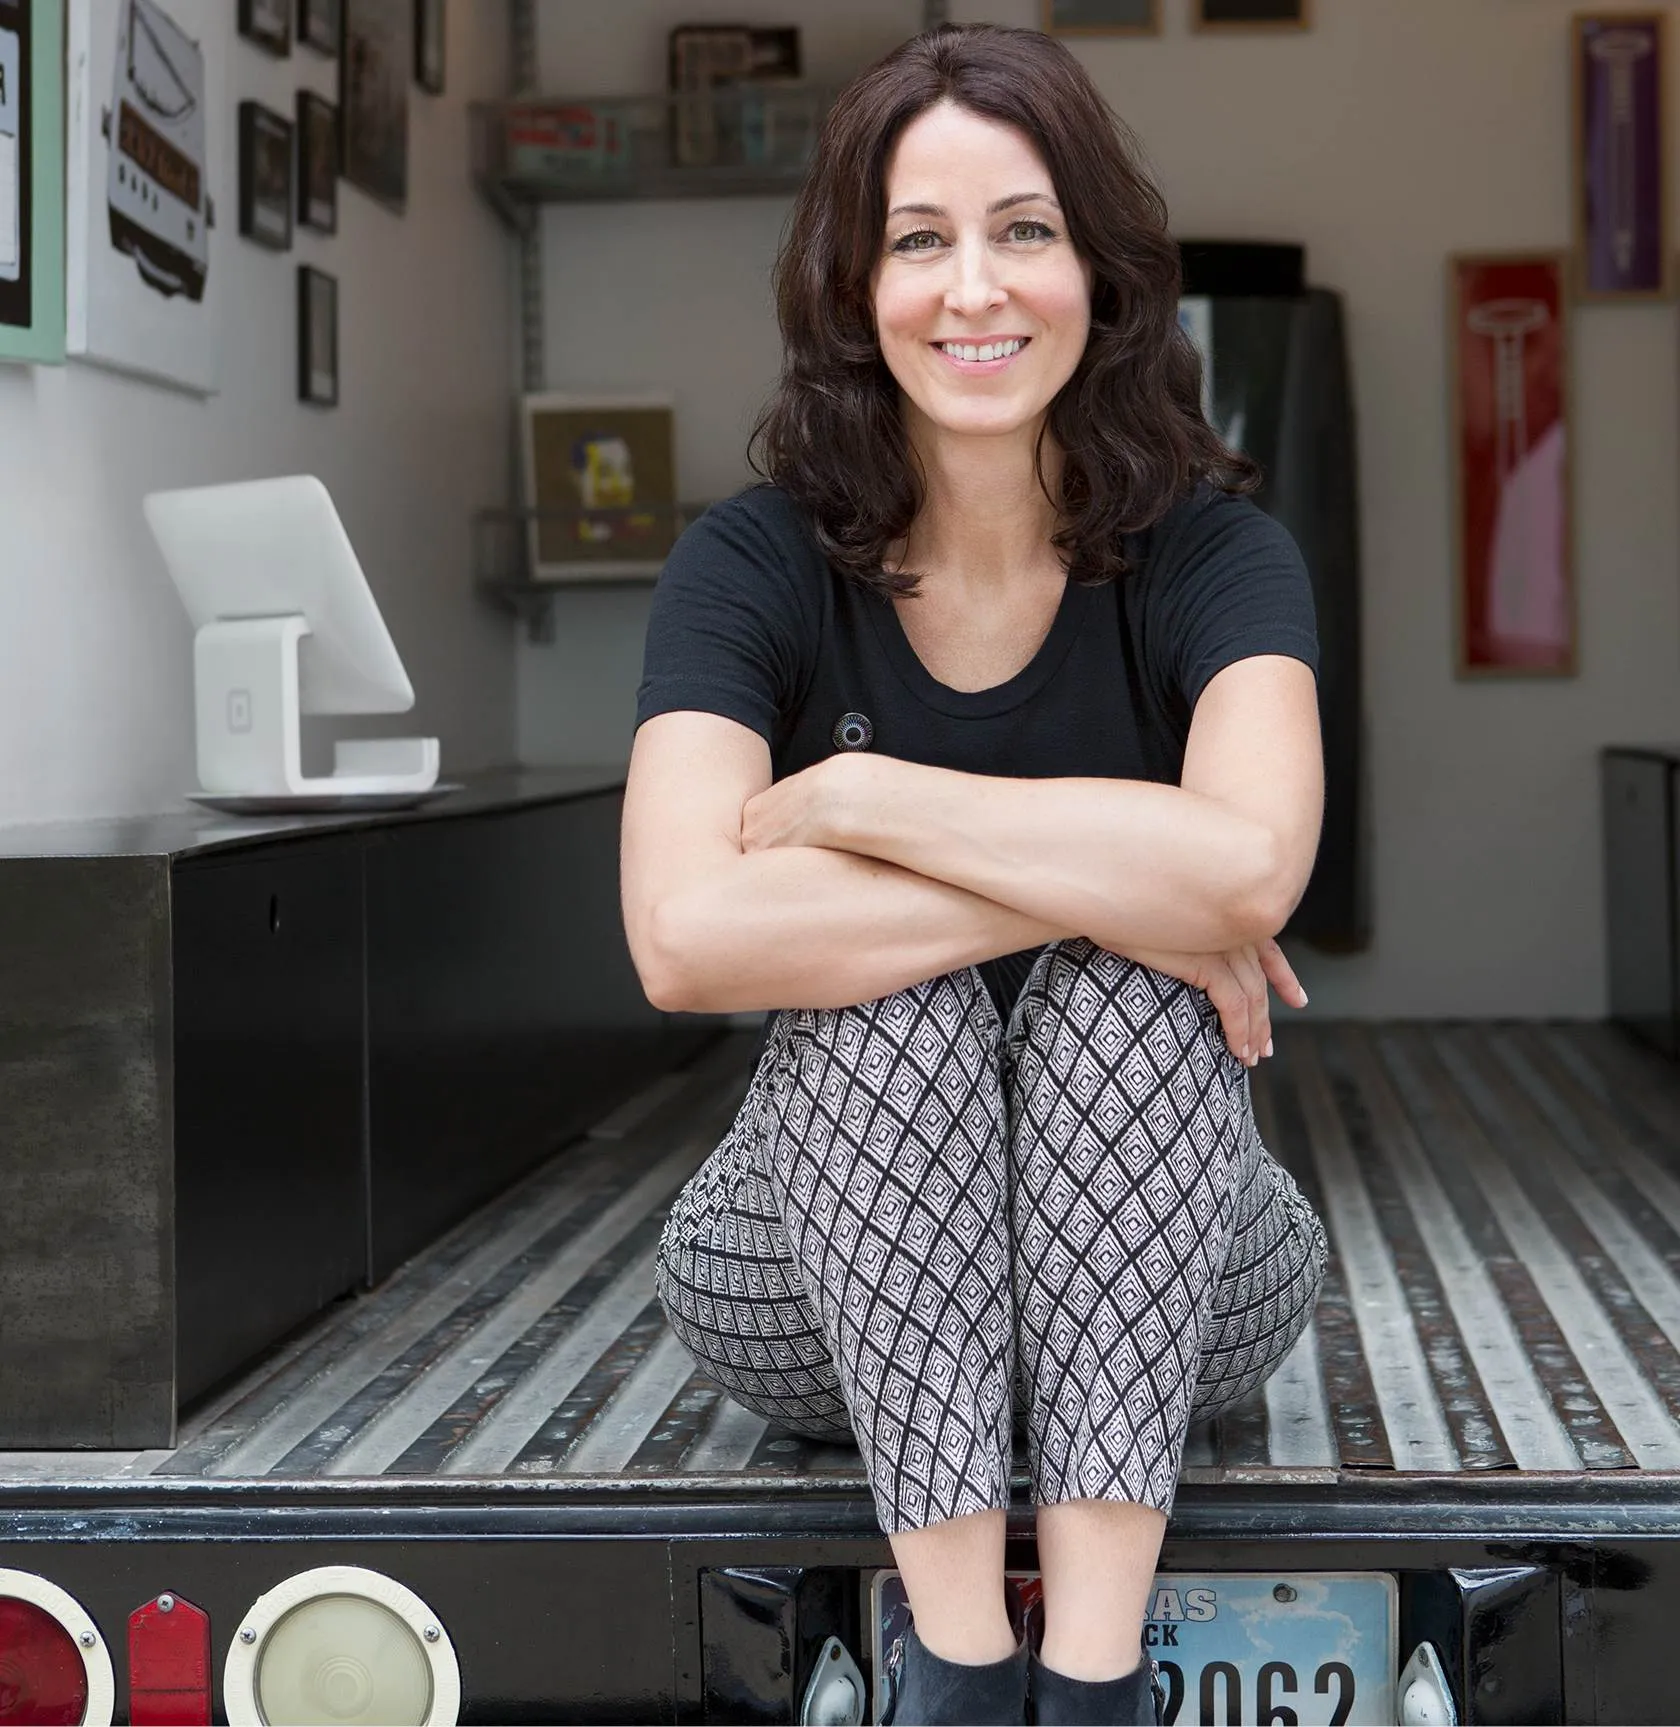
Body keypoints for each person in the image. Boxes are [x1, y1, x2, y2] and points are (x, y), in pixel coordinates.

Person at [622, 23, 1329, 1726]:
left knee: (1120, 1007)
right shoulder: (755, 559)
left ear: (1097, 266)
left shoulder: (1217, 554)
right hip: (811, 1295)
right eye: (919, 239)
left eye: (1023, 229)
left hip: (1180, 1290)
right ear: (855, 285)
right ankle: (958, 1665)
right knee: (910, 1010)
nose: (974, 288)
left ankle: (1090, 1681)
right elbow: (684, 933)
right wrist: (1129, 878)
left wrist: (864, 795)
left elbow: (1255, 865)